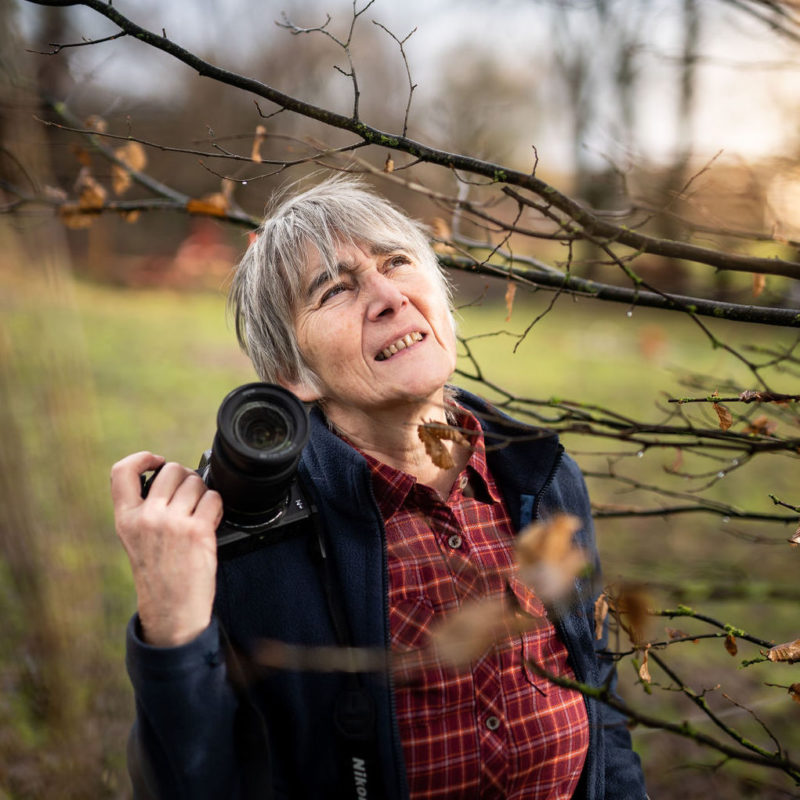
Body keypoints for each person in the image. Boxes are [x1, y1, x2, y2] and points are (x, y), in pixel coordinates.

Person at [110, 176, 647, 799]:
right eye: (335, 289)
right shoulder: (252, 544)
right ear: (292, 373)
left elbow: (600, 705)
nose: (389, 295)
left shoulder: (540, 477)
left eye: (398, 262)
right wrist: (173, 628)